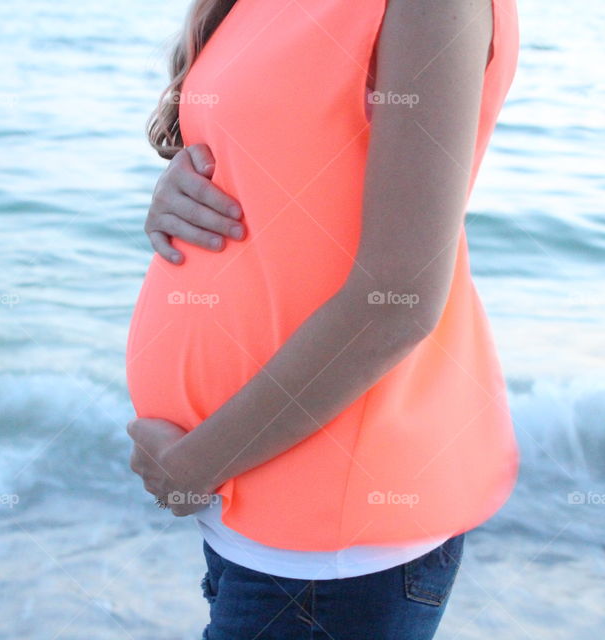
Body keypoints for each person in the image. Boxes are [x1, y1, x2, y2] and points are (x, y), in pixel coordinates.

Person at [125, 0, 521, 637]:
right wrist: (178, 188)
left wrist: (193, 468)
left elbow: (397, 302)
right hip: (250, 513)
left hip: (334, 548)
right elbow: (286, 166)